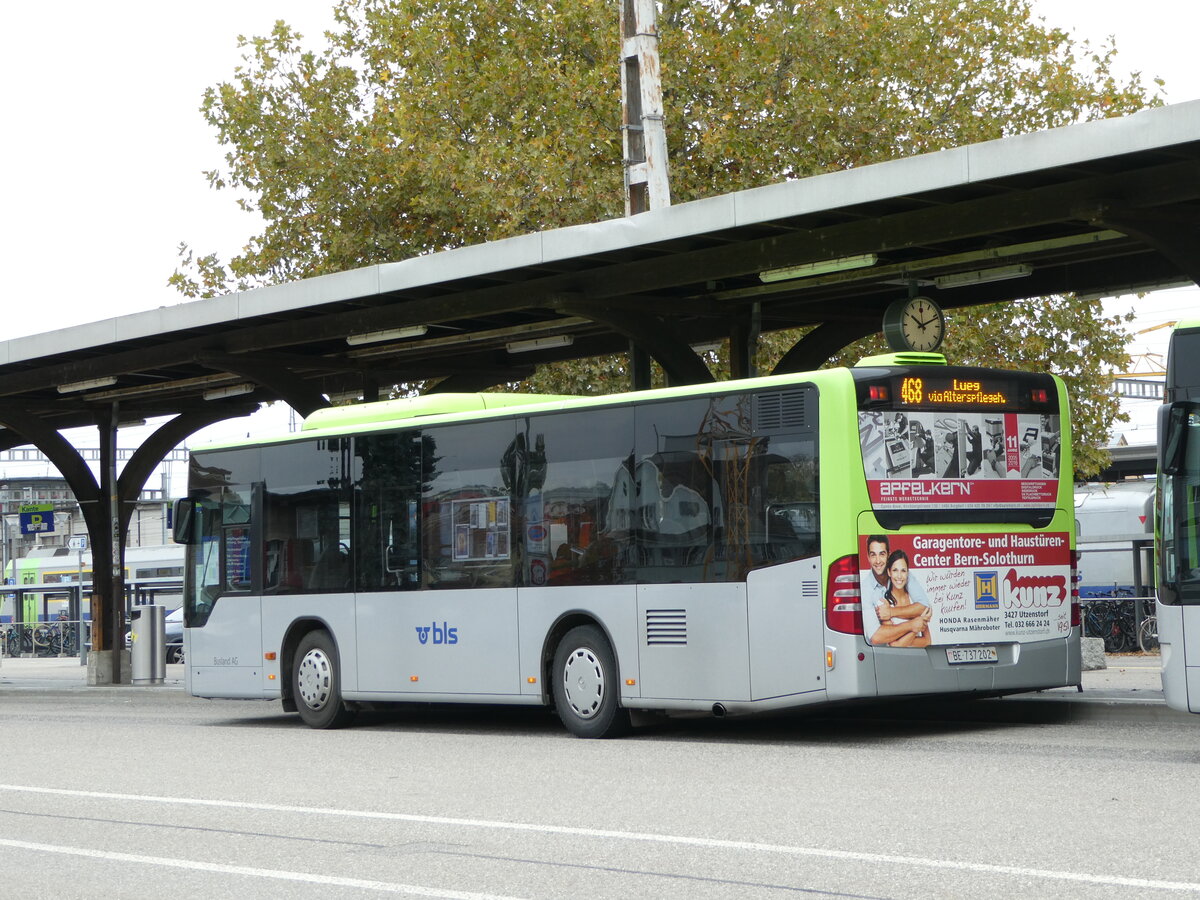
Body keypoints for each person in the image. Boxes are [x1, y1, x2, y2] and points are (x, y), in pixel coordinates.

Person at [864, 545, 932, 647]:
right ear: (889, 572)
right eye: (895, 570)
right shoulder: (884, 603)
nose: (899, 576)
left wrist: (915, 627)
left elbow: (927, 641)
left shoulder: (915, 604)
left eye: (903, 571)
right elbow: (895, 645)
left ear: (908, 573)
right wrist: (914, 626)